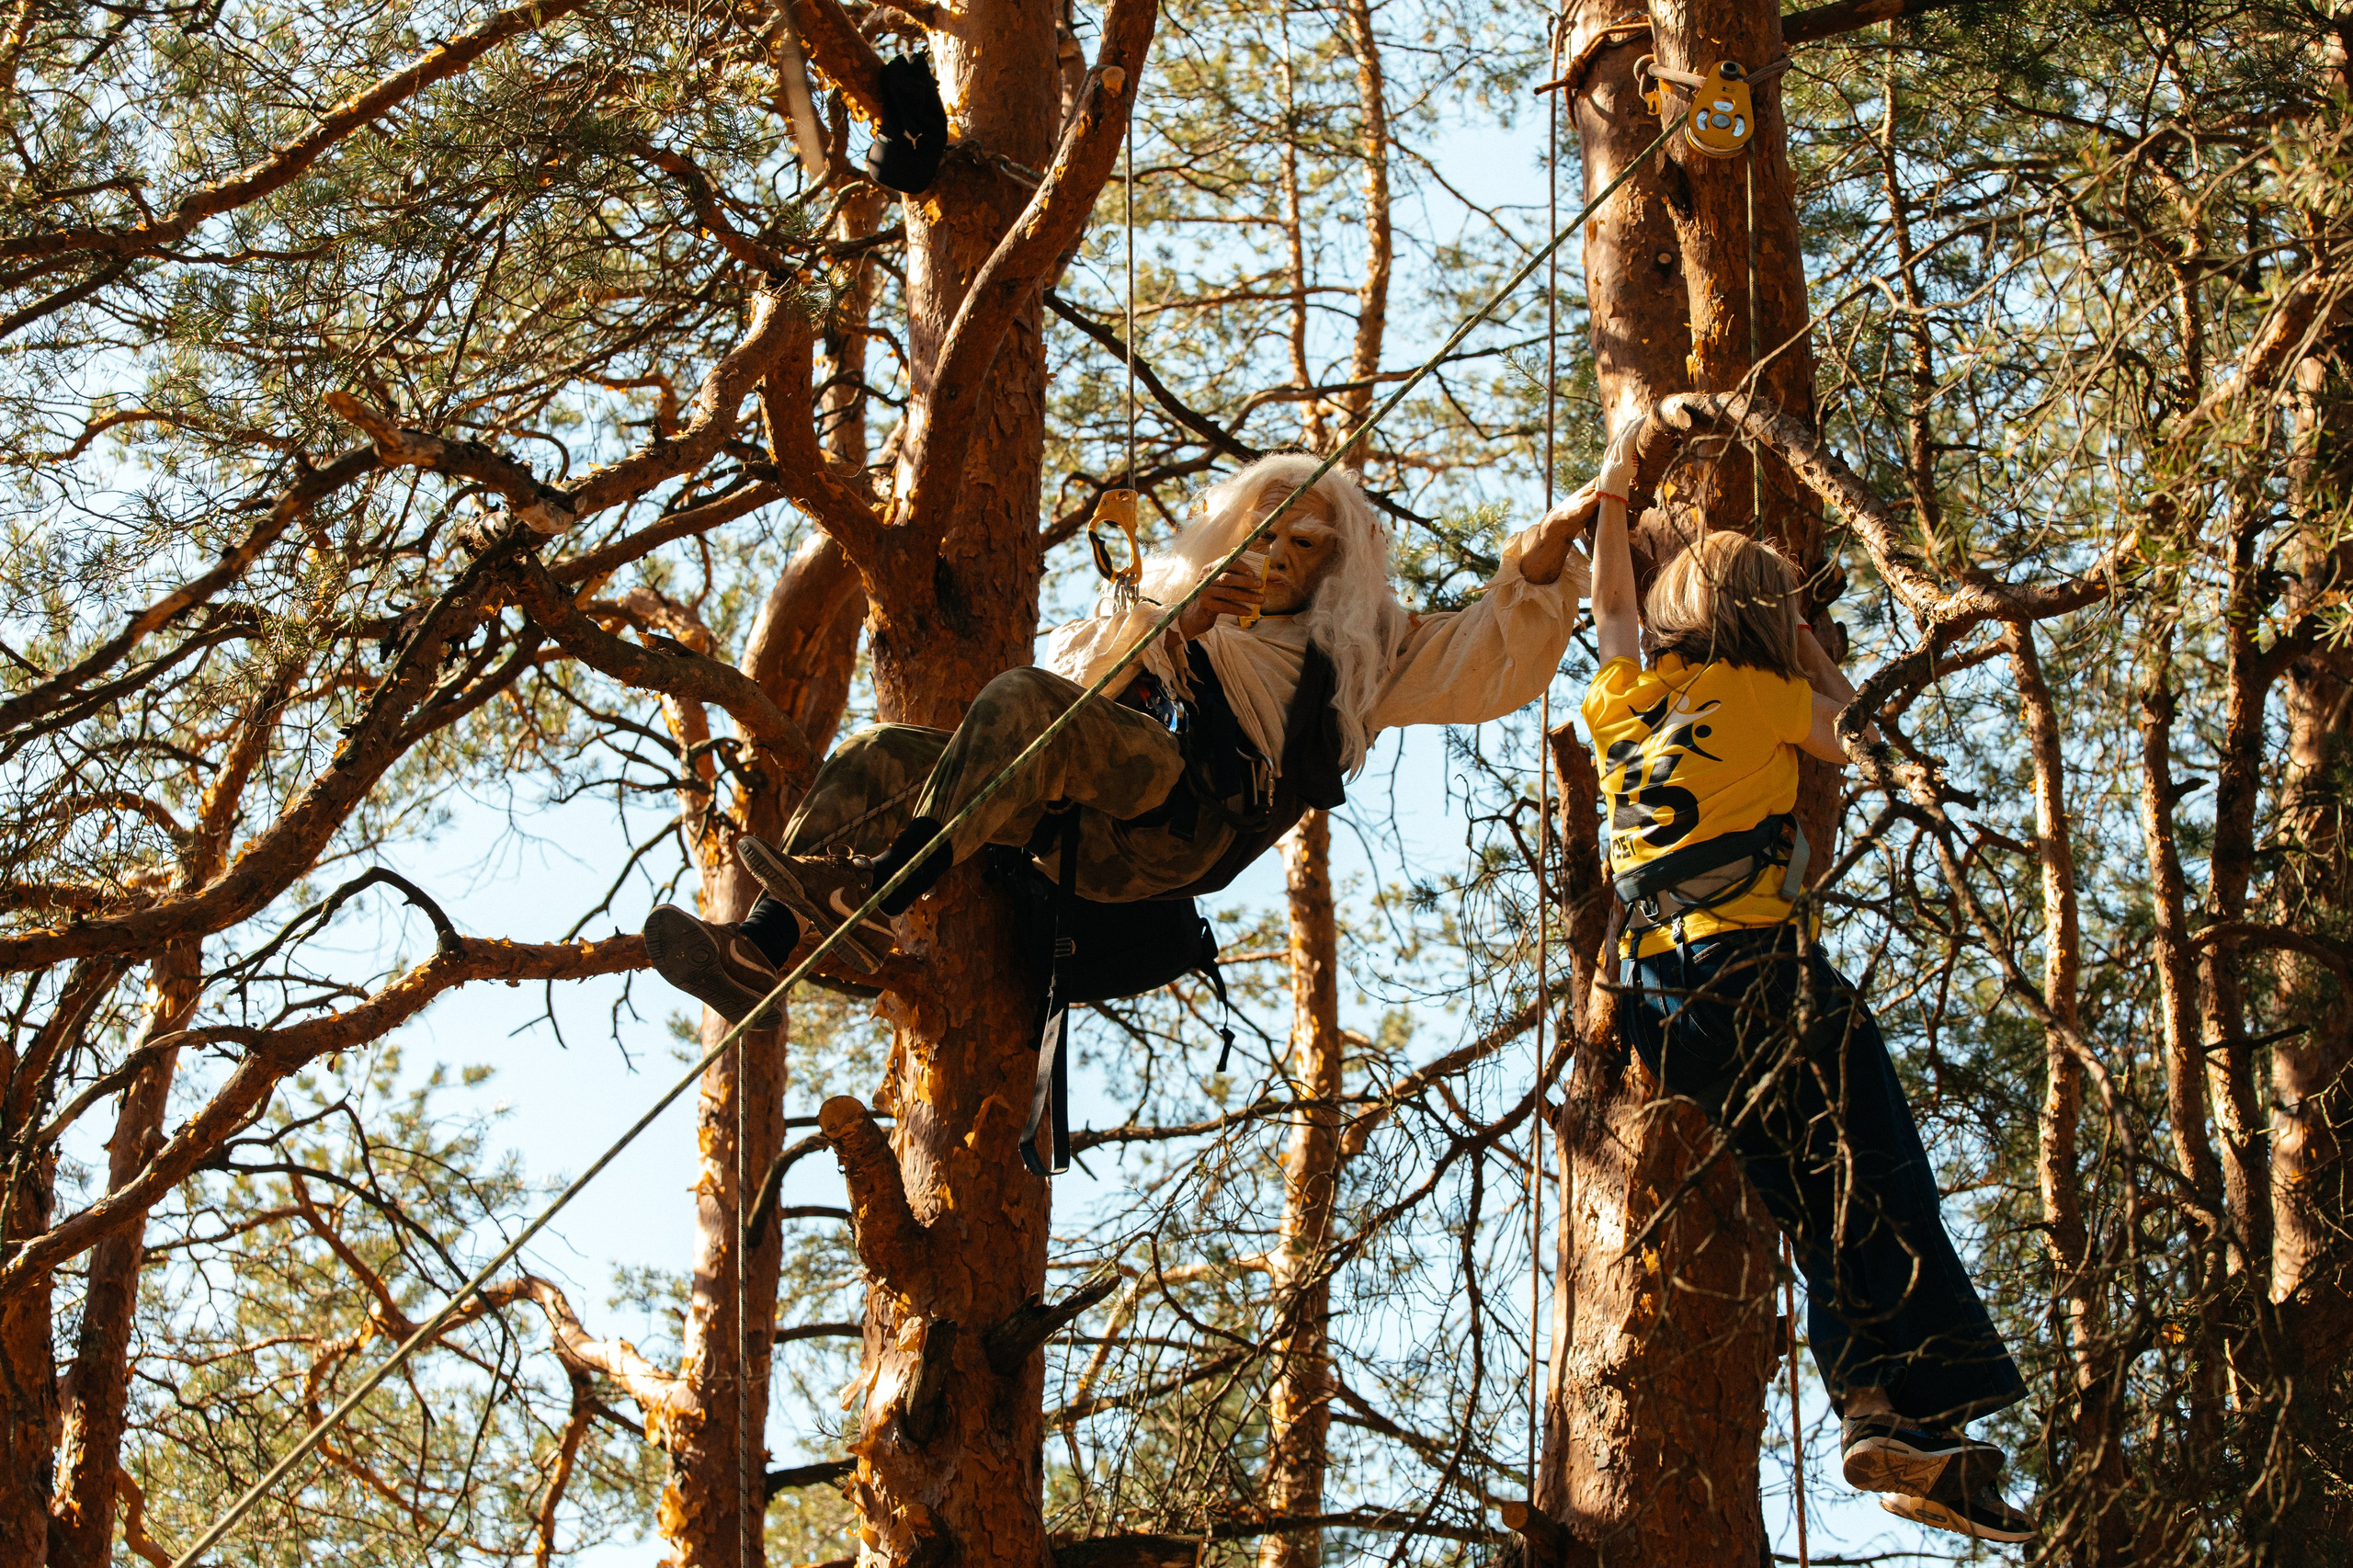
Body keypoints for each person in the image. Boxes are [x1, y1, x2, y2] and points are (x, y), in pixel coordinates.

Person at [642, 450, 1592, 1021]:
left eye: (1303, 545)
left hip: (1178, 825)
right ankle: (761, 948)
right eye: (1264, 533)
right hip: (1075, 812)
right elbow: (1080, 695)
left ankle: (878, 899)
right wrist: (1171, 628)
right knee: (873, 754)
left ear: (1335, 566)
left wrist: (1546, 553)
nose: (1275, 556)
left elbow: (1485, 655)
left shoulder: (1360, 654)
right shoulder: (1159, 605)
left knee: (1019, 702)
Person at [1580, 435, 2033, 1543]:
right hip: (1758, 975)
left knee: (1806, 1197)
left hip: (1656, 1002)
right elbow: (1862, 735)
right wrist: (1811, 654)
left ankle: (1883, 1417)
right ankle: (1909, 1398)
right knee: (1873, 1171)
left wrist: (1617, 484)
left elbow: (1610, 611)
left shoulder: (1620, 692)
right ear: (1761, 618)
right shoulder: (1764, 692)